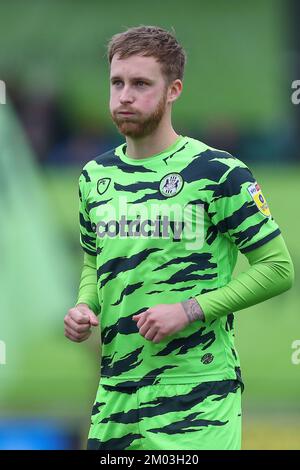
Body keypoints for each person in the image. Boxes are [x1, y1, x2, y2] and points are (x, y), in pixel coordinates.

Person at [64, 25, 294, 450]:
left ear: (173, 90)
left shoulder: (218, 172)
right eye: (117, 83)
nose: (125, 96)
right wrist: (84, 305)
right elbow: (94, 263)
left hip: (197, 394)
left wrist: (189, 310)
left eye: (140, 84)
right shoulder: (94, 176)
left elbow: (278, 269)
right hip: (115, 393)